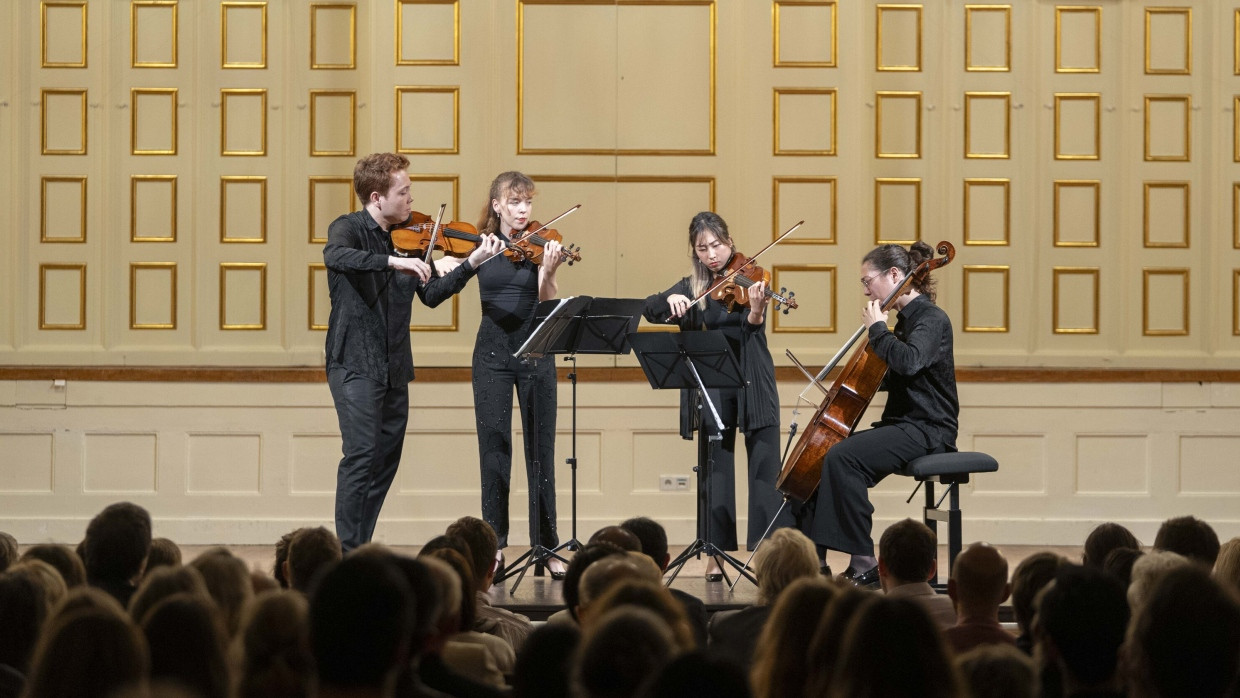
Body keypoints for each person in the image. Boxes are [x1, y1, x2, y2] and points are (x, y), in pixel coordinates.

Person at [324, 152, 502, 553]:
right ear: (376, 197)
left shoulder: (412, 236)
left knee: (385, 460)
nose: (410, 200)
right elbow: (334, 257)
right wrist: (391, 262)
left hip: (395, 366)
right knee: (361, 456)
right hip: (354, 361)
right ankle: (349, 553)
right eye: (403, 192)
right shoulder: (348, 229)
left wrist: (471, 263)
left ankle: (359, 545)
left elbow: (432, 295)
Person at [642, 211, 792, 581]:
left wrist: (756, 310)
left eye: (717, 245)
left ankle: (765, 556)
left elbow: (751, 328)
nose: (712, 254)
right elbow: (650, 307)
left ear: (729, 242)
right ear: (694, 251)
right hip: (714, 384)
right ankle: (715, 555)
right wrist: (673, 302)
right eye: (703, 248)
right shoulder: (693, 284)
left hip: (753, 380)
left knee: (764, 471)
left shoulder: (752, 278)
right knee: (716, 472)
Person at [809, 241, 958, 586]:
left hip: (928, 429)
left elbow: (909, 362)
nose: (865, 290)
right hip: (904, 425)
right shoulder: (905, 322)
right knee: (823, 458)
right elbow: (896, 375)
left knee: (844, 458)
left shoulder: (931, 319)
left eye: (867, 281)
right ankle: (814, 562)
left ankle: (864, 561)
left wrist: (877, 330)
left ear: (894, 274)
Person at [470, 171, 568, 578]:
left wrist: (547, 273)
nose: (523, 209)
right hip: (491, 352)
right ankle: (495, 547)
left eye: (527, 201)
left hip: (536, 351)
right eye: (514, 202)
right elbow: (450, 275)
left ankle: (546, 546)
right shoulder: (481, 246)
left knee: (541, 452)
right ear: (497, 205)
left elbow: (552, 305)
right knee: (494, 452)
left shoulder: (544, 245)